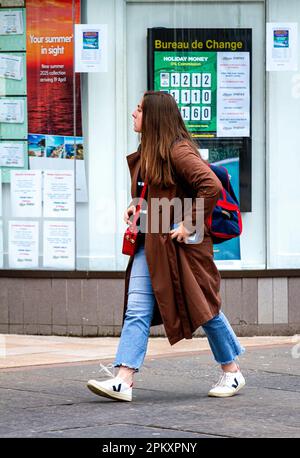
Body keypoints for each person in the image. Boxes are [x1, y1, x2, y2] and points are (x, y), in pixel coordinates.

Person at [87, 91, 245, 402]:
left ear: (155, 117)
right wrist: (136, 207)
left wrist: (188, 224)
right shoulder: (150, 150)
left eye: (139, 110)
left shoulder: (179, 151)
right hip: (151, 243)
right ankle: (124, 378)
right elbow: (158, 195)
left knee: (205, 310)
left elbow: (210, 186)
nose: (134, 114)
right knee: (136, 310)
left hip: (182, 249)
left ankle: (232, 371)